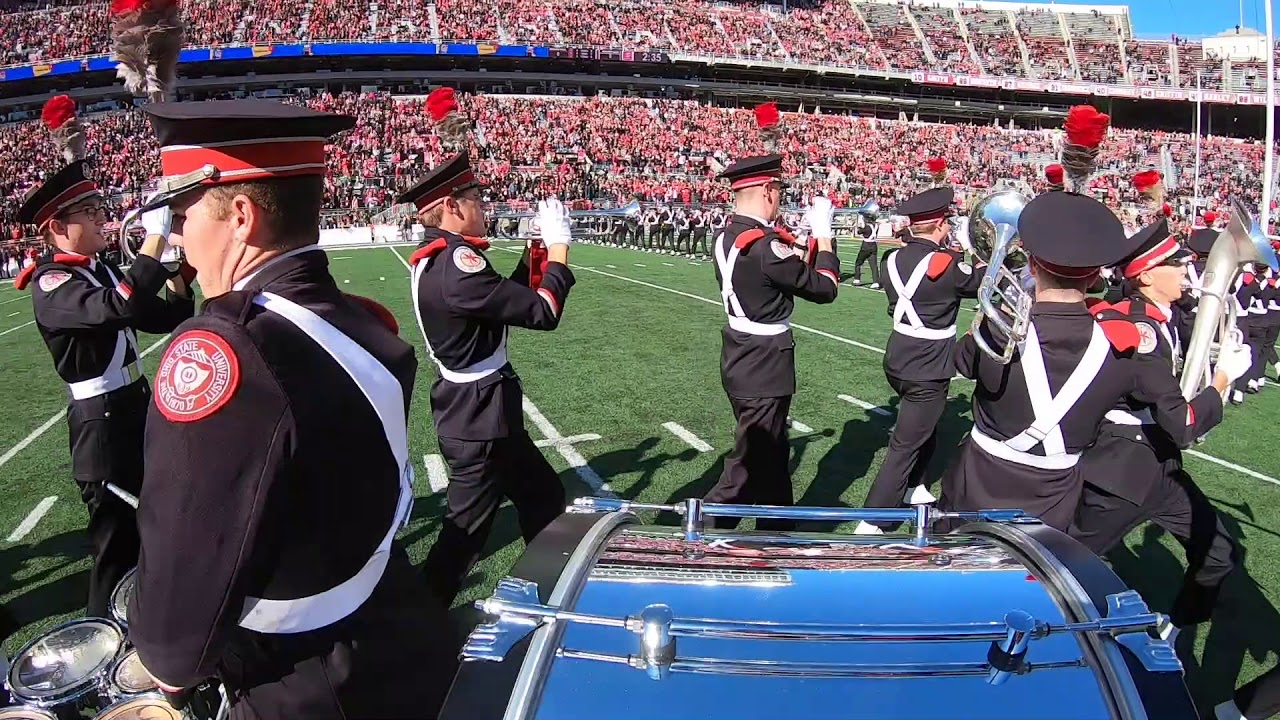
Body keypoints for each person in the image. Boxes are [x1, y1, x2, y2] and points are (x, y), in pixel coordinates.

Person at [126, 99, 457, 720]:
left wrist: (167, 663)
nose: (179, 237)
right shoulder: (359, 317)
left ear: (241, 218)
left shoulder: (228, 347)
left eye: (182, 212)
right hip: (392, 624)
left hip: (303, 680)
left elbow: (188, 564)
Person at [940, 192, 1252, 531]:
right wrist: (1221, 380)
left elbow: (963, 362)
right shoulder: (1126, 345)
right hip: (1050, 501)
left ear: (1032, 266)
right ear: (1093, 279)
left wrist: (996, 308)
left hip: (974, 481)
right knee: (1029, 579)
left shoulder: (1000, 325)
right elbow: (1181, 422)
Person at [13, 96, 193, 618]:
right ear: (54, 227)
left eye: (98, 210)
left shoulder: (96, 268)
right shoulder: (54, 281)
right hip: (100, 421)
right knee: (114, 549)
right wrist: (154, 241)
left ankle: (149, 624)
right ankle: (98, 637)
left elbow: (160, 317)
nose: (101, 219)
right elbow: (121, 306)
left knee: (152, 529)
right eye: (87, 213)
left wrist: (181, 276)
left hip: (132, 404)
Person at [407, 152, 576, 606]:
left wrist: (536, 248)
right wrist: (560, 249)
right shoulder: (457, 265)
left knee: (544, 499)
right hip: (479, 422)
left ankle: (547, 590)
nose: (484, 205)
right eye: (476, 197)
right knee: (463, 540)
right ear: (452, 206)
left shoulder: (445, 257)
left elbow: (503, 300)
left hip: (485, 413)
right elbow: (541, 313)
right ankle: (416, 624)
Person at [1070, 219, 1242, 641]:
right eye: (1177, 265)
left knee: (1218, 552)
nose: (1188, 272)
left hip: (1157, 464)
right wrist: (1221, 383)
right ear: (1146, 275)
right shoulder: (1141, 330)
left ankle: (1176, 630)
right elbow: (1180, 424)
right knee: (1062, 564)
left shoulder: (1159, 318)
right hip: (1124, 468)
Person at [703, 154, 839, 530]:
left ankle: (777, 530)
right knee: (748, 466)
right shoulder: (764, 247)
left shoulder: (729, 236)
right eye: (778, 190)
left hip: (740, 353)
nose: (780, 197)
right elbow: (825, 288)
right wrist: (824, 234)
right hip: (764, 365)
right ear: (766, 190)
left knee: (773, 456)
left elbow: (780, 271)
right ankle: (703, 531)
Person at [858, 187, 980, 533]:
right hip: (928, 367)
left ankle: (916, 487)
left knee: (924, 427)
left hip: (898, 357)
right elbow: (983, 282)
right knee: (905, 444)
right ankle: (874, 520)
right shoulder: (946, 266)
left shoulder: (890, 261)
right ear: (941, 224)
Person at [849, 214, 880, 288]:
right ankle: (876, 282)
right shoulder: (876, 226)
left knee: (858, 263)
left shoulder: (867, 227)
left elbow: (859, 232)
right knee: (874, 266)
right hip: (874, 245)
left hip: (866, 246)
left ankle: (857, 279)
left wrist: (856, 227)